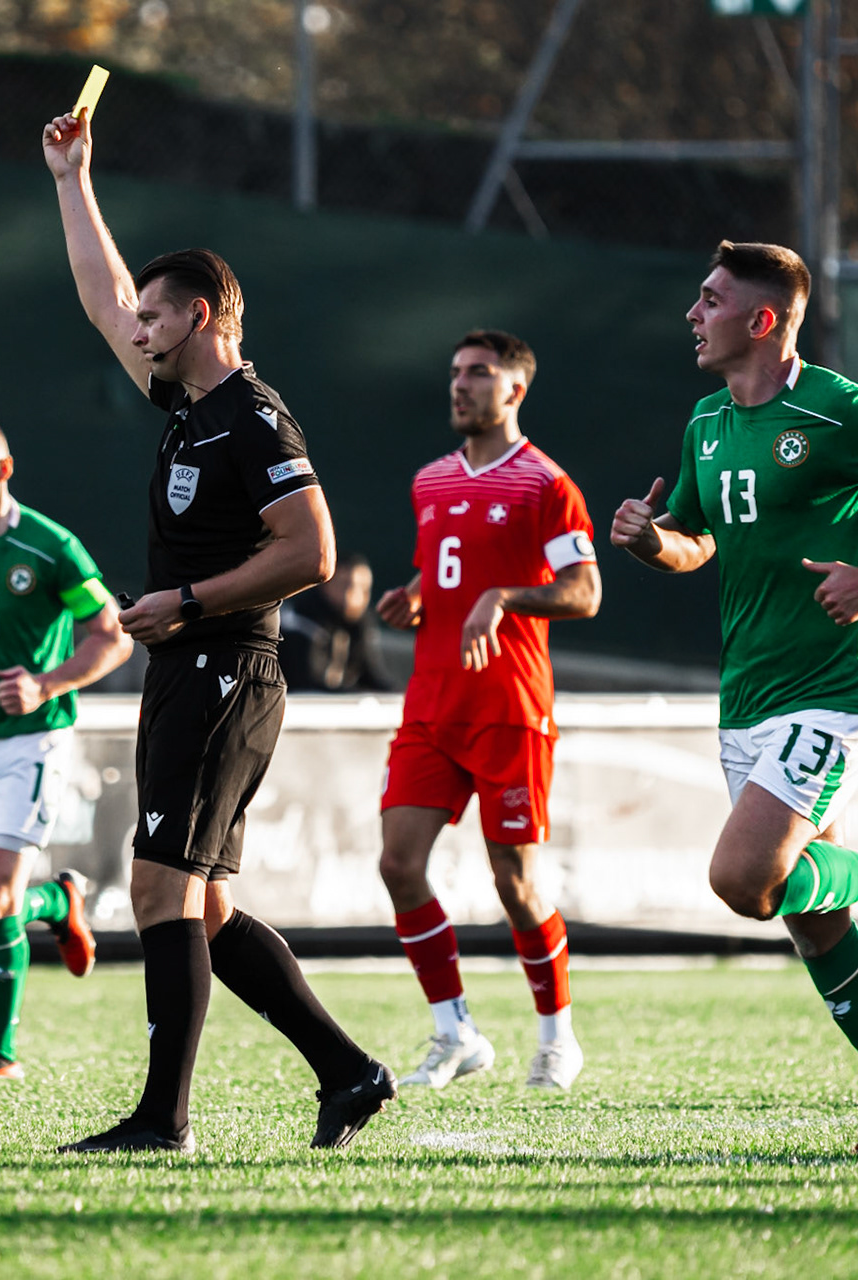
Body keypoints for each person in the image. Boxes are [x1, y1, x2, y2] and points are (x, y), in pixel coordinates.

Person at [43, 108, 395, 1153]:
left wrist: (189, 603)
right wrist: (73, 179)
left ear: (200, 316)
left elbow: (314, 551)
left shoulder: (252, 414)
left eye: (157, 316)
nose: (139, 328)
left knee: (162, 885)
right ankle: (348, 1070)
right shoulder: (188, 405)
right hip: (189, 665)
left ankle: (164, 1119)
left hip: (227, 666)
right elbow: (103, 301)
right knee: (198, 907)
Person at [610, 241, 858, 1152]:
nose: (693, 314)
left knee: (746, 879)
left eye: (710, 299)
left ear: (762, 319)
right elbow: (699, 541)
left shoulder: (839, 409)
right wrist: (648, 542)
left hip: (833, 688)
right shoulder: (707, 420)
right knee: (810, 919)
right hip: (747, 696)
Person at [374, 330, 602, 1092]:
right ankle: (455, 1033)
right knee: (399, 864)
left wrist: (504, 597)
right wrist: (413, 599)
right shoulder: (429, 481)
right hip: (432, 706)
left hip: (509, 708)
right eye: (455, 373)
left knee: (515, 885)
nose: (460, 386)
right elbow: (439, 572)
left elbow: (586, 591)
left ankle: (557, 1038)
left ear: (515, 390)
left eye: (478, 374)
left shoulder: (545, 483)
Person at [0, 412, 128, 1079]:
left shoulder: (51, 549)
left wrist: (47, 684)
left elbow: (112, 634)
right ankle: (57, 901)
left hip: (32, 741)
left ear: (5, 471)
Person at [279, 554, 394, 692]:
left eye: (363, 588)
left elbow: (371, 677)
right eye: (345, 585)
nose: (354, 595)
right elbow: (307, 686)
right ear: (325, 584)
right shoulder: (297, 623)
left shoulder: (360, 625)